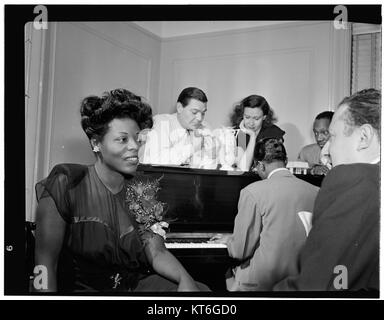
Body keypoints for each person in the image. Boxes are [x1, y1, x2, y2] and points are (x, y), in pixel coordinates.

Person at [33, 88, 209, 292]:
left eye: (137, 137)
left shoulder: (142, 189)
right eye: (123, 139)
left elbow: (157, 252)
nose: (135, 146)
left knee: (201, 291)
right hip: (85, 291)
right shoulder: (66, 183)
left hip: (133, 286)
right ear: (96, 143)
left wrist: (184, 279)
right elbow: (44, 264)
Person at [274, 88, 380, 291]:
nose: (326, 151)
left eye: (333, 136)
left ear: (364, 137)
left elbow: (316, 287)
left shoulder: (352, 178)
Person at [211, 138, 319, 291]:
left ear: (260, 165)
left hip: (263, 282)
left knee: (219, 273)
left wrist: (230, 241)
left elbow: (240, 251)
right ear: (286, 161)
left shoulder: (252, 191)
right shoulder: (316, 191)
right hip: (300, 277)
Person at [141, 87, 216, 167]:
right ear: (179, 108)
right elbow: (155, 159)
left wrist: (212, 152)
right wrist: (193, 147)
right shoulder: (161, 122)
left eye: (203, 113)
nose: (200, 118)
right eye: (194, 112)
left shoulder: (205, 127)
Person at [230, 95, 285, 171]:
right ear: (242, 115)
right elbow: (242, 168)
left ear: (264, 117)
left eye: (256, 118)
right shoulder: (239, 133)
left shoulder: (273, 133)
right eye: (247, 117)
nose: (251, 123)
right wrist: (252, 136)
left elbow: (273, 166)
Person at [297, 111, 334, 175]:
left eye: (325, 132)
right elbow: (296, 174)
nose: (318, 138)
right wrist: (312, 170)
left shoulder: (347, 153)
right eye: (316, 133)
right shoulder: (306, 153)